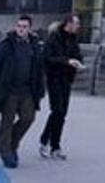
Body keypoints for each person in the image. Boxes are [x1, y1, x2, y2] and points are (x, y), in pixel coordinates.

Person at [0, 14, 45, 169]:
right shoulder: (6, 45)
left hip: (27, 90)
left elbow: (39, 68)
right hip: (9, 90)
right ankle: (6, 153)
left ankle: (12, 143)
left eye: (25, 26)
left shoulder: (34, 45)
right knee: (7, 121)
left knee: (28, 118)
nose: (21, 29)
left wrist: (39, 89)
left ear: (30, 28)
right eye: (19, 26)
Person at [39, 13, 83, 160]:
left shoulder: (73, 39)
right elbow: (47, 58)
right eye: (76, 23)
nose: (78, 26)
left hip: (67, 79)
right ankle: (45, 141)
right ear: (68, 24)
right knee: (57, 110)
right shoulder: (54, 38)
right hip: (54, 78)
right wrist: (66, 61)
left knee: (62, 113)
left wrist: (78, 62)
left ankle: (55, 146)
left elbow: (77, 54)